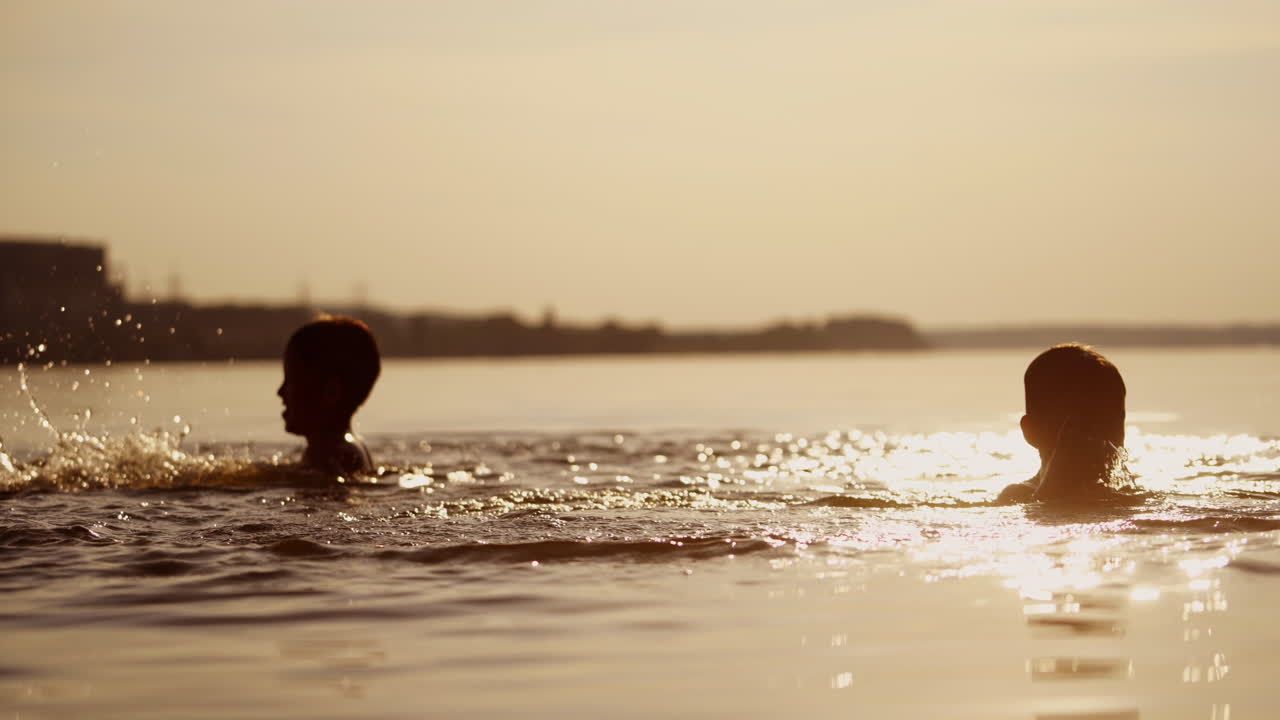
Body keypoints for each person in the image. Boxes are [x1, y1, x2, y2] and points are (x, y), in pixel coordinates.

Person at [997, 343, 1135, 503]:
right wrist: (1058, 479)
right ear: (1031, 432)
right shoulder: (1017, 496)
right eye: (1079, 428)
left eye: (1107, 422)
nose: (1097, 439)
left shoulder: (1128, 495)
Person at [277, 315, 380, 476]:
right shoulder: (354, 445)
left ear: (331, 393)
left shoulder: (324, 454)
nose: (280, 392)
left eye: (290, 380)